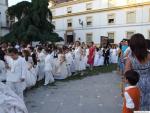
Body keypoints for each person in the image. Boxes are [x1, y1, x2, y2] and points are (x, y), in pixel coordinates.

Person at [125, 33, 150, 110]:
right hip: (149, 82)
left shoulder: (130, 57)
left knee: (137, 105)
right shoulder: (149, 55)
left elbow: (127, 73)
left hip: (136, 83)